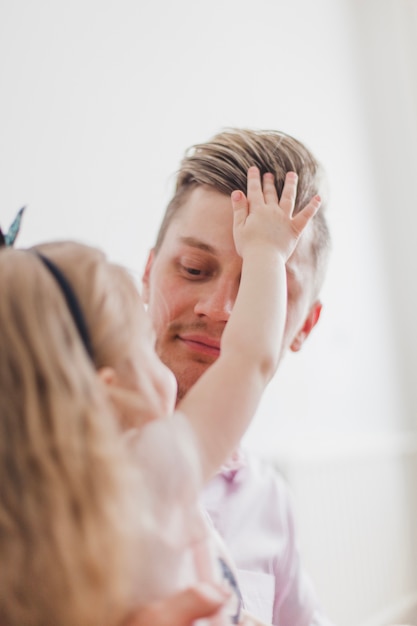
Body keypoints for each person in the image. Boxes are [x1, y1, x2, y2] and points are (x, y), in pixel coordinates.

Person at [0, 167, 318, 626]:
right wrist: (267, 252)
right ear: (110, 395)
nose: (221, 308)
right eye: (193, 269)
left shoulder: (28, 525)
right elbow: (248, 360)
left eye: (248, 285)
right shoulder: (148, 470)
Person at [142, 128, 332, 626]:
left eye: (259, 289)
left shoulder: (270, 506)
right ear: (147, 273)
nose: (221, 310)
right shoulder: (52, 453)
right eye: (193, 268)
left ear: (303, 327)